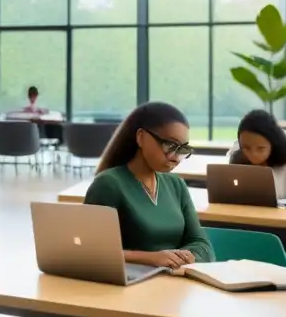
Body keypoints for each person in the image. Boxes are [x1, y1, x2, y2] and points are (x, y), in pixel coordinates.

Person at [84, 101, 214, 268]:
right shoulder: (109, 184)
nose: (175, 157)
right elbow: (91, 251)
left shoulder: (176, 185)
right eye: (170, 145)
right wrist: (151, 258)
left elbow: (202, 245)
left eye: (182, 149)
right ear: (141, 137)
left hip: (175, 285)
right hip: (125, 287)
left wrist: (184, 257)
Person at [227, 110, 286, 207]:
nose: (253, 154)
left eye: (261, 148)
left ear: (273, 143)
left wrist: (271, 204)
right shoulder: (238, 158)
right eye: (246, 148)